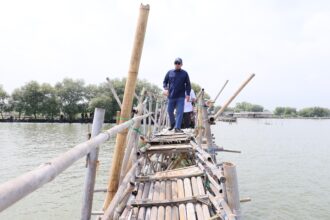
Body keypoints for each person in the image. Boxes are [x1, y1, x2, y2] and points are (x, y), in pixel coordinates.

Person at [163, 57, 191, 133]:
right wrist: (165, 89)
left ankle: (177, 128)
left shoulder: (185, 73)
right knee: (169, 111)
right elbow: (165, 82)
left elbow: (188, 84)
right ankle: (173, 124)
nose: (177, 64)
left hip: (181, 96)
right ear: (174, 64)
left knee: (179, 112)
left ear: (181, 64)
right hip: (171, 96)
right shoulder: (169, 72)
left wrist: (188, 94)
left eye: (179, 63)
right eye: (176, 63)